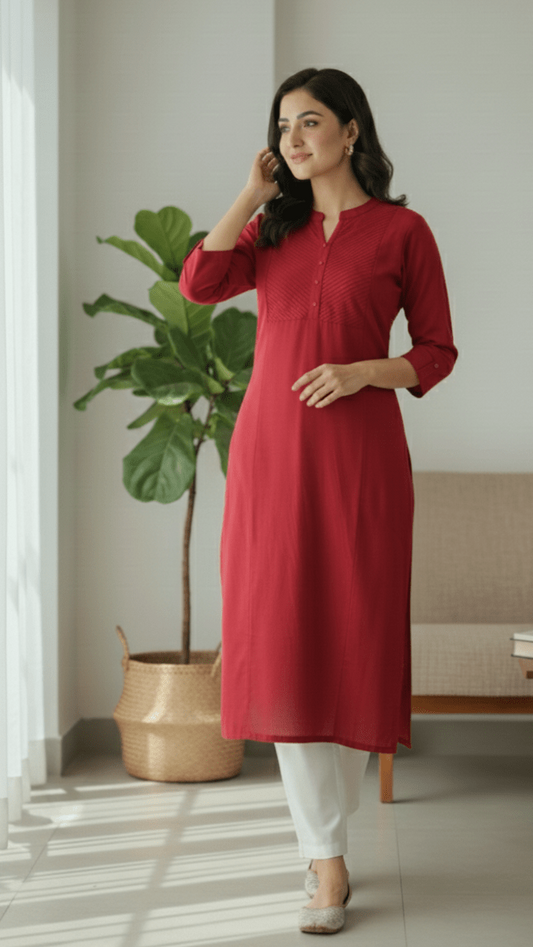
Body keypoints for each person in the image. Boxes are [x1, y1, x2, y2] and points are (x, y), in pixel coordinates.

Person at [179, 67, 458, 934]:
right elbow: (199, 281)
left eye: (309, 123)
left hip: (362, 458)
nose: (294, 139)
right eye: (282, 126)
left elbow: (438, 350)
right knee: (285, 640)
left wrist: (362, 371)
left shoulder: (402, 231)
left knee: (347, 640)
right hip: (269, 457)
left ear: (350, 132)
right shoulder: (271, 230)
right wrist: (250, 190)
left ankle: (323, 841)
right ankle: (327, 862)